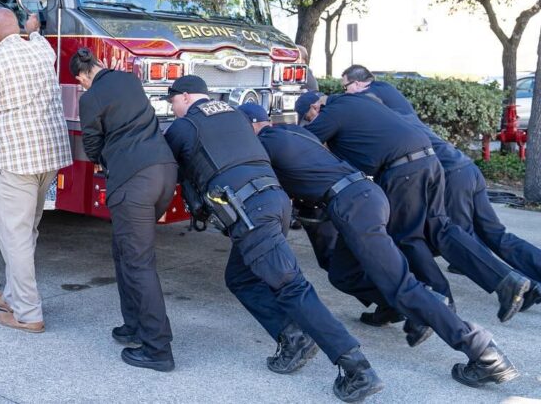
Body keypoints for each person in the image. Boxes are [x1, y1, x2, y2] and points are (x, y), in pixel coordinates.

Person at [239, 103, 518, 389]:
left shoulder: (263, 145)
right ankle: (403, 306)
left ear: (249, 126)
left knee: (403, 287)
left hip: (352, 207)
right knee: (342, 273)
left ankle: (484, 352)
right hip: (365, 196)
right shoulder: (295, 133)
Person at [163, 76, 382, 403]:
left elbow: (173, 170)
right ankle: (292, 336)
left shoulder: (183, 128)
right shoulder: (236, 115)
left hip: (248, 212)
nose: (173, 109)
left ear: (184, 98)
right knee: (239, 278)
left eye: (173, 102)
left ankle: (357, 368)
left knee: (292, 286)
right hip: (274, 202)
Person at [303, 90, 531, 325]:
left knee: (407, 239)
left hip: (401, 171)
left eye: (309, 118)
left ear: (314, 108)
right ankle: (505, 281)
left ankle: (439, 304)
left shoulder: (331, 112)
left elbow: (301, 143)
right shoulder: (357, 101)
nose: (314, 122)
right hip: (429, 161)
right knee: (442, 230)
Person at [341, 65, 540, 311]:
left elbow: (353, 109)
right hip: (463, 167)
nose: (346, 93)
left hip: (449, 174)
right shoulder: (392, 99)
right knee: (495, 236)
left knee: (458, 240)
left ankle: (517, 288)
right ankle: (531, 283)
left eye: (346, 86)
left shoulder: (374, 94)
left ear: (361, 84)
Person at [0, 9, 72, 334]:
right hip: (48, 158)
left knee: (15, 237)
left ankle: (27, 313)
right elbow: (40, 40)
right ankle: (12, 295)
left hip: (15, 161)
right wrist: (33, 29)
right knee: (25, 232)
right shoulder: (40, 50)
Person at [72, 48, 178, 372]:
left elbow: (91, 146)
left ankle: (158, 349)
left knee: (138, 263)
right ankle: (134, 325)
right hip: (164, 171)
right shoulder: (130, 80)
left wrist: (106, 159)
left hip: (133, 180)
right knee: (124, 253)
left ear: (82, 76)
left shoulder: (89, 99)